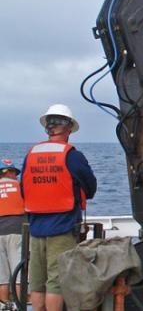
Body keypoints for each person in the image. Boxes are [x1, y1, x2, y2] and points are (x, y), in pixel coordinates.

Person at [20, 104, 97, 311]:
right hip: (62, 227)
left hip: (36, 227)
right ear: (69, 127)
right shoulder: (71, 155)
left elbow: (23, 189)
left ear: (47, 127)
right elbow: (90, 187)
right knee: (56, 279)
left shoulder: (31, 154)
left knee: (37, 280)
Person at [0, 159, 25, 310]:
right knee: (19, 274)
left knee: (1, 276)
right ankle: (19, 305)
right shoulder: (20, 186)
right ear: (9, 172)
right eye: (15, 173)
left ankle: (3, 305)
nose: (16, 176)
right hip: (17, 230)